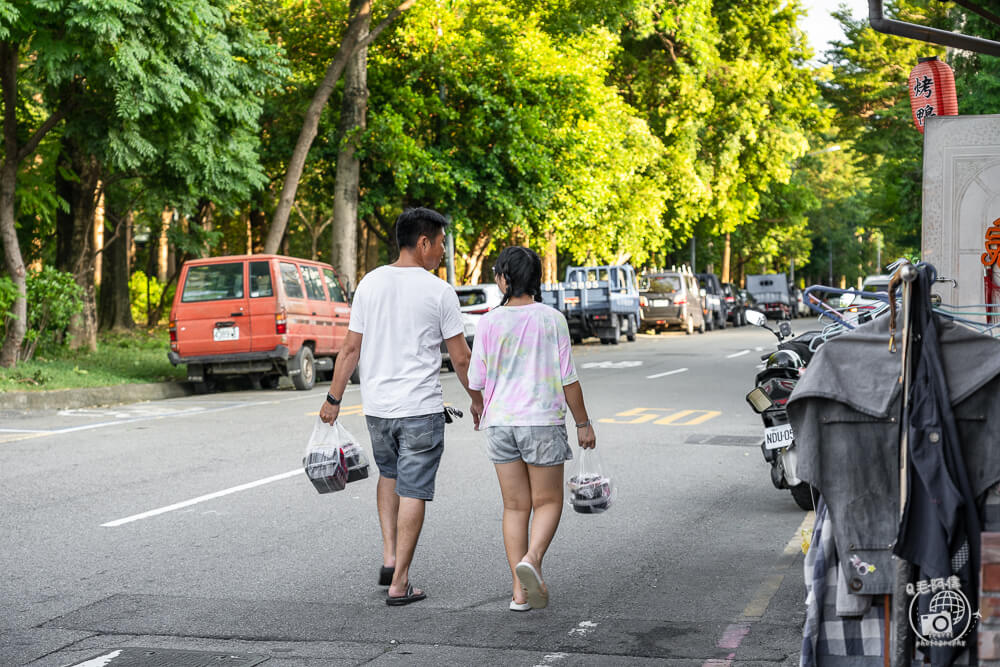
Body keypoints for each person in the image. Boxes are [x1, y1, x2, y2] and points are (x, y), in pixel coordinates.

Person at [319, 207, 483, 607]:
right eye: (441, 243)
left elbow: (350, 349)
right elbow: (461, 359)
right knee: (414, 489)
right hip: (420, 410)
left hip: (377, 410)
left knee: (389, 476)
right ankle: (400, 583)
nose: (443, 251)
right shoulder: (438, 291)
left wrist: (332, 400)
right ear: (423, 242)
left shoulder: (369, 284)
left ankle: (390, 557)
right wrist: (478, 399)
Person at [467, 246, 596, 611]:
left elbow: (476, 378)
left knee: (514, 507)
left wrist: (479, 404)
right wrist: (583, 423)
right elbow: (568, 378)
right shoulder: (551, 319)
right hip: (541, 422)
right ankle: (533, 559)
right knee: (549, 501)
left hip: (501, 424)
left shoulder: (489, 322)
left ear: (506, 279)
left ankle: (519, 593)